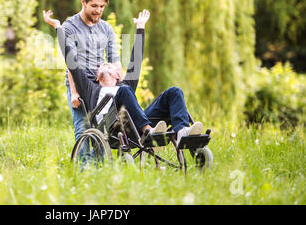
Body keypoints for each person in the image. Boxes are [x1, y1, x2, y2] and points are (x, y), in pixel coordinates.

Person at [44, 9, 204, 146]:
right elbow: (71, 59)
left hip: (137, 121)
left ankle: (182, 132)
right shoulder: (91, 88)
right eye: (101, 65)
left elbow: (136, 61)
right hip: (115, 129)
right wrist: (58, 27)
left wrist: (140, 27)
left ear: (116, 75)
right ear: (96, 77)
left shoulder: (124, 84)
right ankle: (148, 131)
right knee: (125, 91)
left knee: (174, 92)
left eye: (109, 65)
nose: (104, 64)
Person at [43, 0, 123, 150]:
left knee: (103, 128)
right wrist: (74, 92)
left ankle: (100, 170)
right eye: (94, 5)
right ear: (83, 2)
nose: (98, 11)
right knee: (83, 128)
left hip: (100, 83)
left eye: (102, 7)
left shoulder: (106, 29)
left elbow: (114, 58)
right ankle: (85, 172)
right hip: (79, 82)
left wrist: (121, 83)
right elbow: (72, 63)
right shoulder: (70, 27)